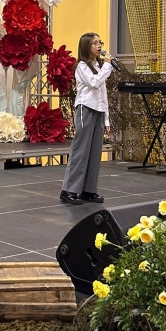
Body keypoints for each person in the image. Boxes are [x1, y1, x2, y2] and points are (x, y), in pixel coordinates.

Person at [60, 33, 115, 205]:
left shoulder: (98, 66)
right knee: (81, 150)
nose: (99, 46)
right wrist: (107, 66)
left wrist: (106, 119)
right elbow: (94, 83)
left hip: (99, 111)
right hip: (86, 109)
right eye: (95, 43)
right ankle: (69, 190)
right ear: (86, 46)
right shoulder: (82, 66)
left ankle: (88, 190)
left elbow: (103, 95)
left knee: (95, 152)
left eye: (100, 42)